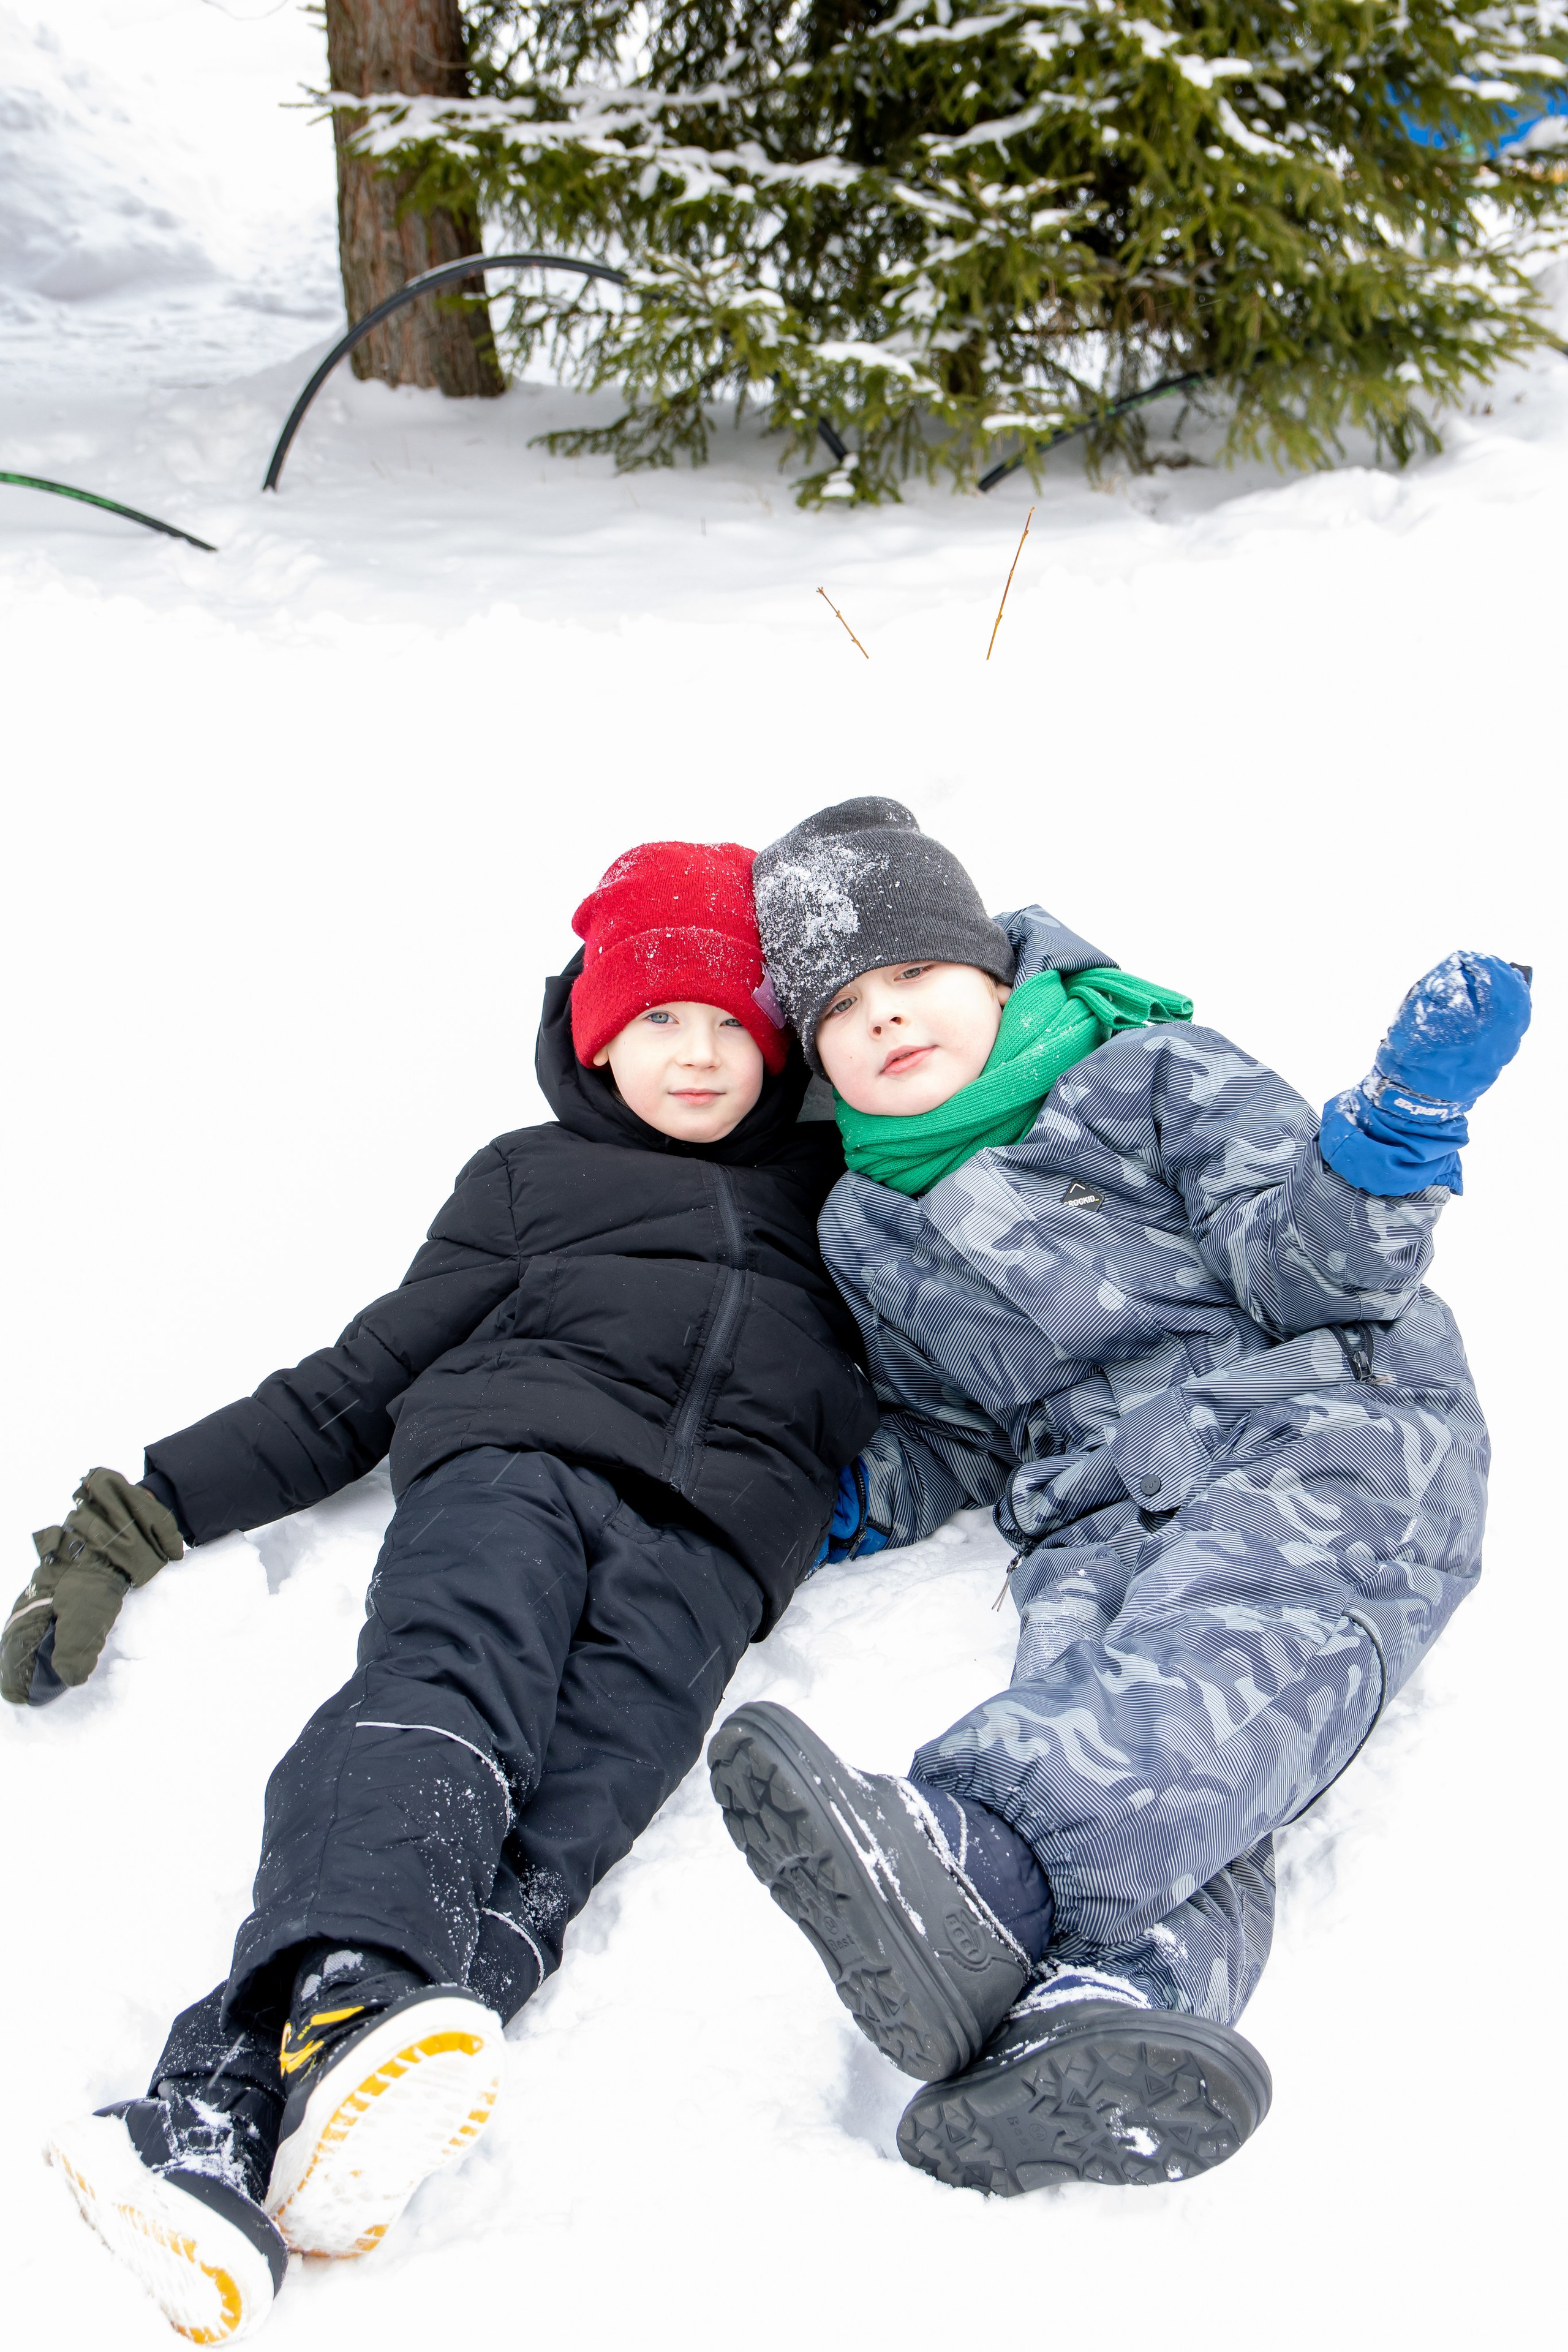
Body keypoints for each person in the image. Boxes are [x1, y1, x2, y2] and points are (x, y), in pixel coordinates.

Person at [9, 839, 876, 2340]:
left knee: (583, 1804)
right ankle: (357, 1991)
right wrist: (132, 1518)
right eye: (658, 1020)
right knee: (449, 1687)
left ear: (781, 1046)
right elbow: (357, 1378)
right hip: (517, 1463)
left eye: (732, 1025)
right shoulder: (534, 1177)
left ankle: (228, 2115)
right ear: (597, 1034)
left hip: (712, 1558)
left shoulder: (846, 1200)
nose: (695, 1055)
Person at [709, 795, 1530, 2197]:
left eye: (915, 975)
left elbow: (1302, 1270)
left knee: (1237, 1632)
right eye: (845, 1008)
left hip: (1320, 1419)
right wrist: (833, 1505)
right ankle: (1106, 2010)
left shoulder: (1151, 1074)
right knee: (1130, 1702)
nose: (889, 1020)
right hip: (1096, 1508)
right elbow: (958, 1424)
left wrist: (1385, 1139)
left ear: (993, 970)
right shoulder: (866, 1220)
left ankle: (983, 1849)